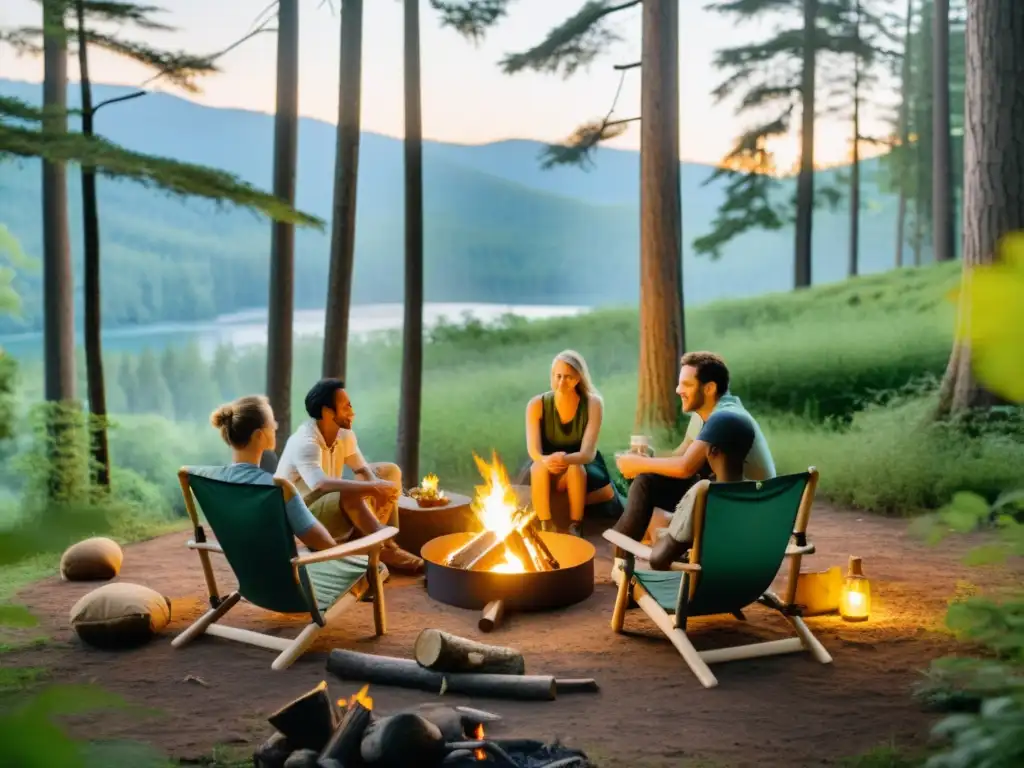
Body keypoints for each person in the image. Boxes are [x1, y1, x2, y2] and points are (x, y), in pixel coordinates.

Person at [611, 351, 775, 564]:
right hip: (722, 497)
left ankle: (626, 555)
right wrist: (647, 459)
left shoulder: (726, 417)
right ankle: (623, 556)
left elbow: (685, 468)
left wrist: (639, 464)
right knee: (647, 481)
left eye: (686, 384)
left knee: (647, 479)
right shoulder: (704, 414)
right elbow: (680, 455)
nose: (678, 390)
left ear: (709, 388)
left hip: (746, 508)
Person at [274, 378, 424, 574]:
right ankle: (384, 548)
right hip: (302, 516)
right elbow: (319, 484)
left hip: (327, 504)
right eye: (346, 407)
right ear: (328, 412)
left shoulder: (344, 434)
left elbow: (362, 470)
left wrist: (380, 486)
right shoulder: (305, 441)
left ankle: (376, 541)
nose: (352, 412)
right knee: (350, 491)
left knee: (389, 471)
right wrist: (373, 488)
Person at [188, 395, 337, 553]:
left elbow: (186, 471)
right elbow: (324, 544)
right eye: (272, 422)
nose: (276, 426)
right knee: (358, 562)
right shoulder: (278, 488)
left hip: (245, 574)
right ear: (259, 435)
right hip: (288, 576)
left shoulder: (213, 481)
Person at [521, 350, 616, 537]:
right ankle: (546, 523)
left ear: (578, 379)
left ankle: (576, 525)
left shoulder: (593, 404)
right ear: (552, 376)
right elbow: (534, 451)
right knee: (537, 468)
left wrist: (565, 459)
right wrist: (548, 460)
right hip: (546, 462)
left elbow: (588, 453)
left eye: (568, 377)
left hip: (582, 462)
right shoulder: (536, 404)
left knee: (575, 468)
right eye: (558, 376)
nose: (562, 382)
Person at [646, 410, 755, 570]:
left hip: (700, 584)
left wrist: (655, 540)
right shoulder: (760, 493)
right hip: (745, 581)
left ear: (713, 451)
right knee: (662, 518)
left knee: (655, 525)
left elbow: (659, 560)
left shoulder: (702, 492)